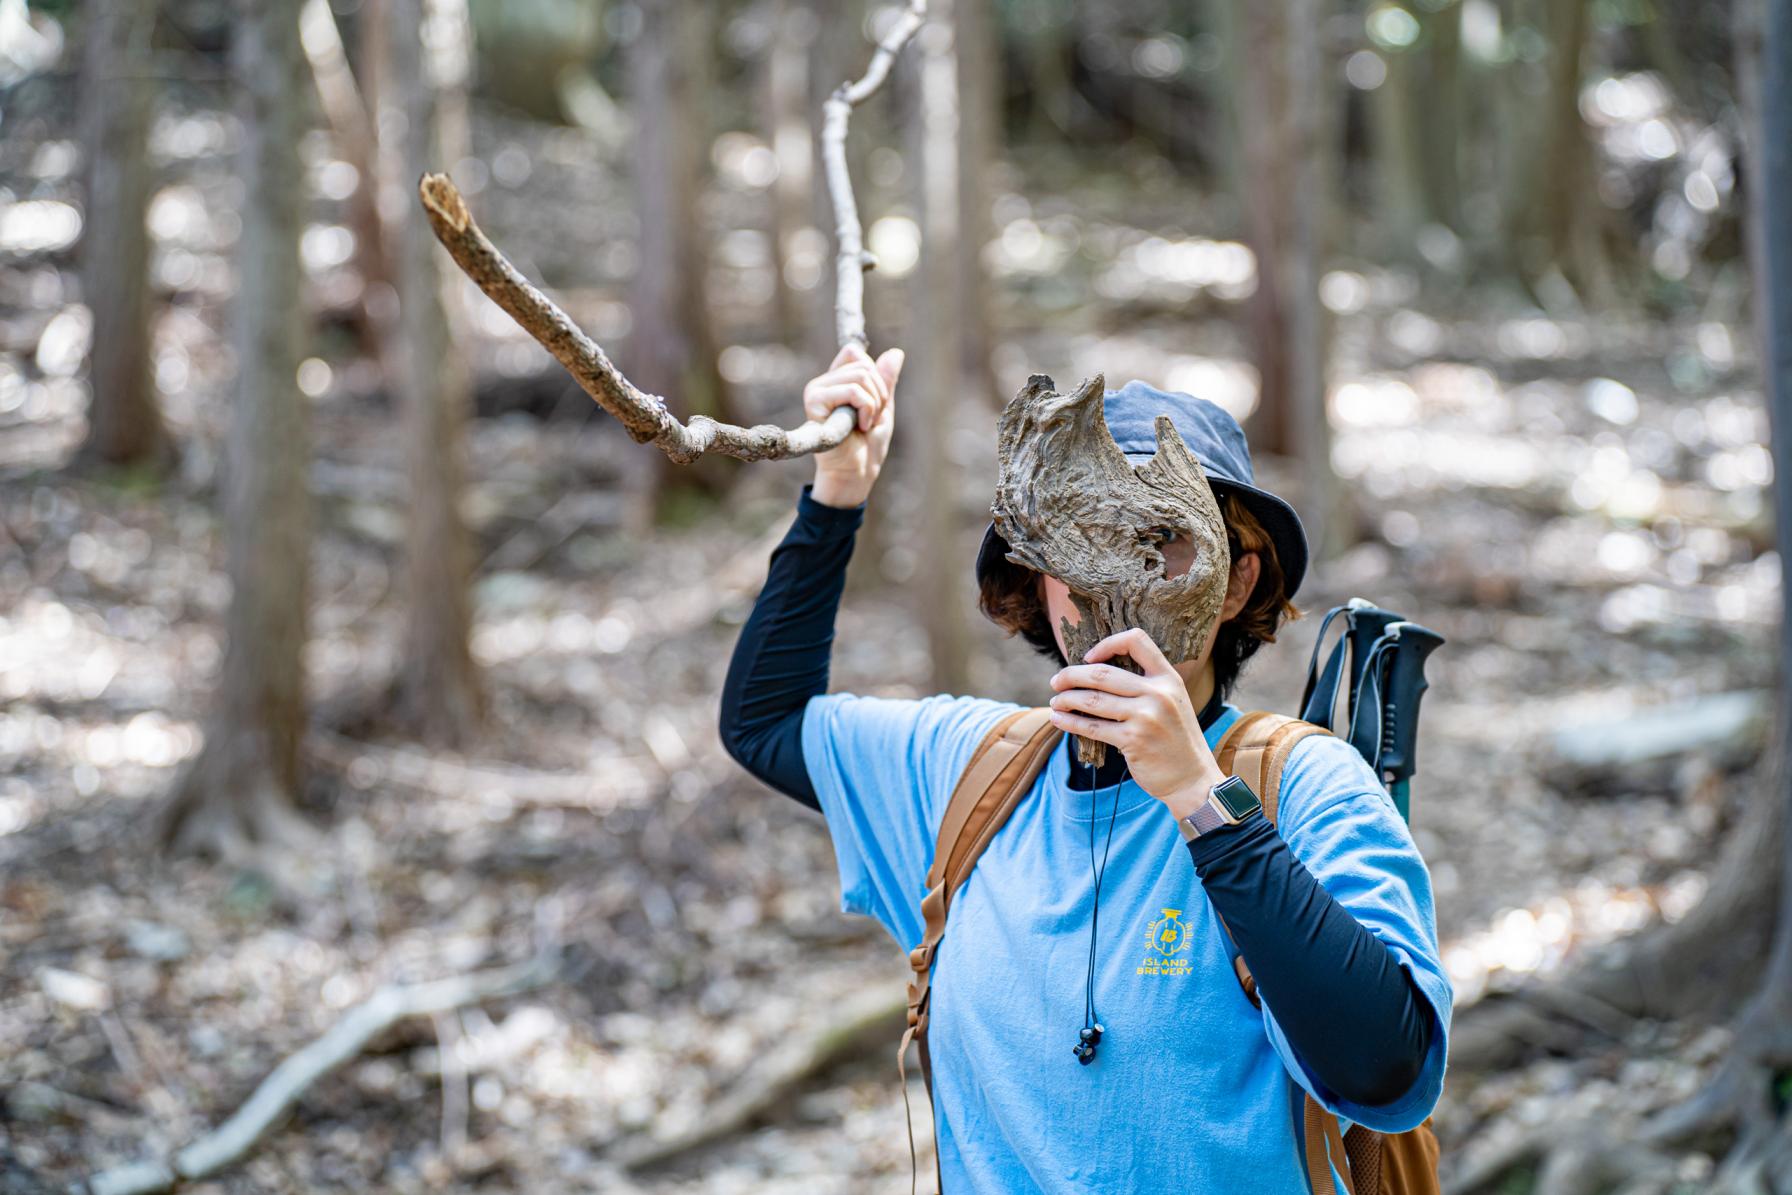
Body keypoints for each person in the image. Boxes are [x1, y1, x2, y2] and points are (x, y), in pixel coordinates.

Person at [719, 343, 1452, 1193]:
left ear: (1236, 581)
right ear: (1037, 575)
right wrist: (836, 493)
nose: (1118, 582)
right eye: (1080, 541)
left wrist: (1200, 798)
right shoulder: (970, 772)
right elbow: (764, 722)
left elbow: (1388, 1073)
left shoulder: (1308, 787)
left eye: (1164, 540)